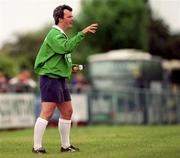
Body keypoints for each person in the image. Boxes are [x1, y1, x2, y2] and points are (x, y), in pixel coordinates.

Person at [32, 4, 98, 154]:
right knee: (47, 112)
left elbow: (59, 57)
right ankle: (36, 147)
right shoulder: (54, 34)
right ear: (60, 18)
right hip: (49, 78)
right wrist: (82, 33)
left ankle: (65, 146)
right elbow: (65, 48)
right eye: (69, 16)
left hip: (58, 78)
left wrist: (72, 67)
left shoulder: (60, 34)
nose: (72, 19)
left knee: (67, 111)